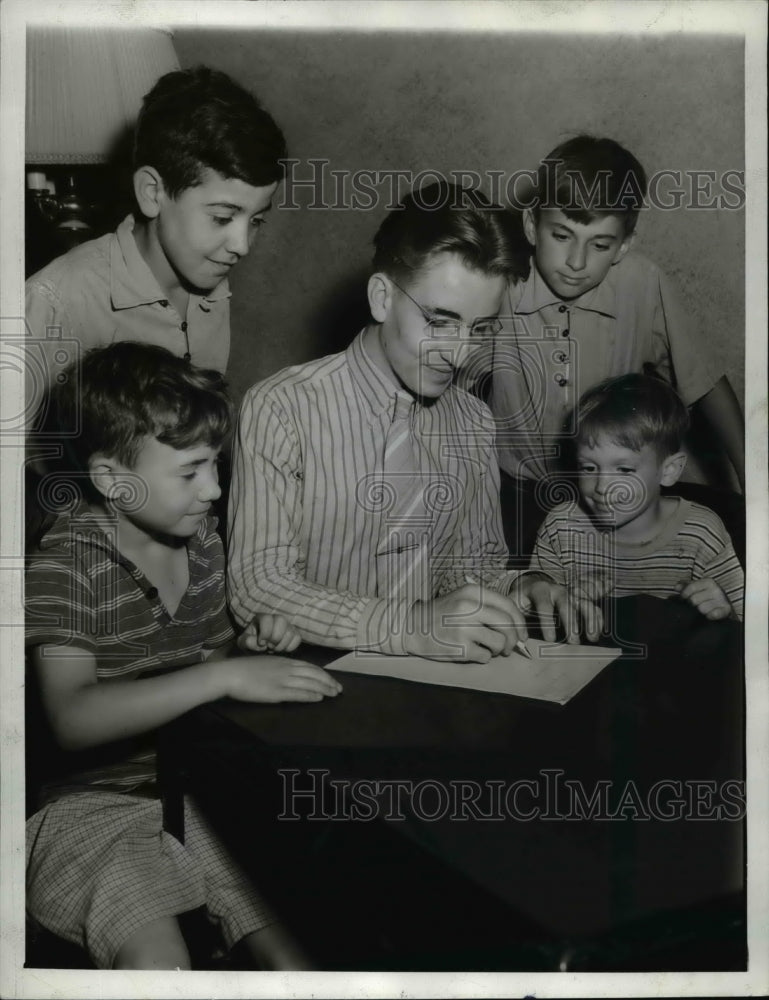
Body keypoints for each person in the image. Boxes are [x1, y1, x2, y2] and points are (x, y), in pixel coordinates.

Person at [25, 343, 341, 971]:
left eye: (217, 466)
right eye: (192, 471)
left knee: (294, 954)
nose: (216, 489)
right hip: (89, 812)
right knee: (158, 966)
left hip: (199, 794)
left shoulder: (203, 543)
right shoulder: (65, 564)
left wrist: (240, 651)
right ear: (113, 479)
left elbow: (193, 669)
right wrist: (221, 674)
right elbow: (72, 717)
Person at [227, 183, 603, 664]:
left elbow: (470, 572)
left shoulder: (473, 422)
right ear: (382, 298)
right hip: (307, 684)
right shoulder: (282, 408)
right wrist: (408, 627)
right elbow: (256, 589)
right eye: (440, 322)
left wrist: (523, 585)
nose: (461, 353)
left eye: (481, 328)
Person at [484, 135, 745, 561]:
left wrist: (754, 480)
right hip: (515, 492)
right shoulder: (500, 281)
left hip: (614, 492)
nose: (576, 262)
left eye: (600, 245)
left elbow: (705, 383)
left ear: (624, 246)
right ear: (532, 225)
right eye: (562, 235)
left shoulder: (643, 283)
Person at [25, 65, 286, 413]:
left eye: (256, 220)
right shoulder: (55, 302)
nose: (242, 245)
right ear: (152, 193)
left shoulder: (210, 280)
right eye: (222, 218)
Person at [530, 374, 744, 621]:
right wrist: (568, 598)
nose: (602, 487)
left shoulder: (702, 532)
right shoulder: (560, 527)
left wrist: (724, 611)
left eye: (624, 470)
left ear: (669, 471)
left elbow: (749, 634)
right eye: (589, 468)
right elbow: (539, 618)